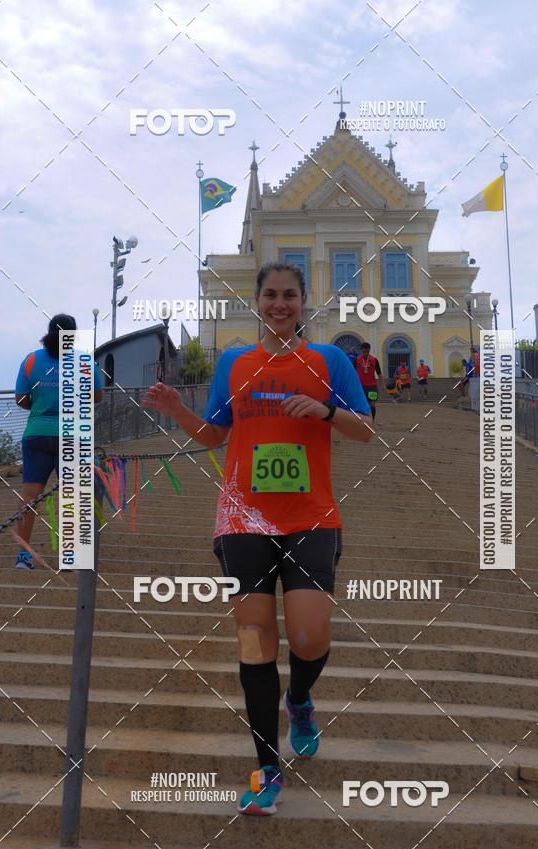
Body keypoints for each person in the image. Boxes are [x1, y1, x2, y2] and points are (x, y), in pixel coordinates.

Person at [145, 262, 372, 817]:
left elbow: (365, 429)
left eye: (289, 295)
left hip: (311, 516)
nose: (279, 304)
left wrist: (324, 409)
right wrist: (179, 413)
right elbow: (215, 435)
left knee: (309, 636)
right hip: (243, 518)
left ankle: (298, 700)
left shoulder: (329, 361)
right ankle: (267, 770)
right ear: (257, 300)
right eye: (270, 295)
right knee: (254, 639)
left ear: (303, 301)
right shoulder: (235, 363)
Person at [14, 314, 103, 569]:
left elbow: (20, 398)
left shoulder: (31, 360)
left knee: (30, 495)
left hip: (37, 433)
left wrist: (40, 404)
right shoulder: (85, 360)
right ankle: (72, 557)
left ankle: (23, 556)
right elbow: (96, 396)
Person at [354, 342, 383, 421]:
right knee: (361, 404)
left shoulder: (374, 360)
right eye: (364, 352)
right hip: (360, 387)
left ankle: (371, 421)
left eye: (367, 351)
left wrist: (382, 385)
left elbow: (379, 373)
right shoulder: (356, 360)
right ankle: (363, 420)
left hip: (372, 386)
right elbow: (352, 372)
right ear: (361, 350)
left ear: (369, 350)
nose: (365, 353)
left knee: (372, 404)